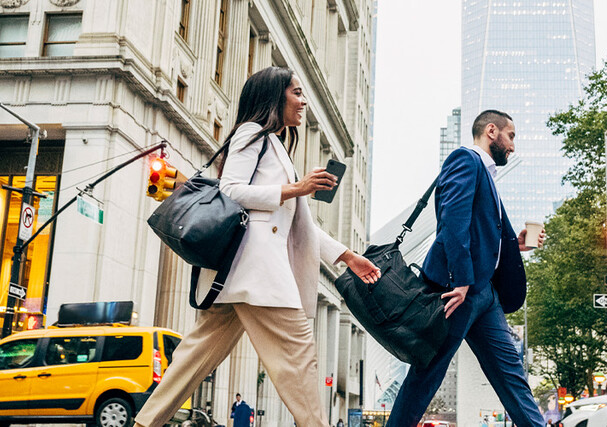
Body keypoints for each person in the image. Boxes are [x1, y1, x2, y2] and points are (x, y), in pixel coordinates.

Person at [134, 66, 381, 427]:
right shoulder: (252, 134)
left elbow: (301, 225)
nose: (303, 101)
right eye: (296, 92)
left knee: (192, 358)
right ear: (273, 96)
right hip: (258, 274)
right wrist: (296, 188)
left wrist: (346, 256)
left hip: (236, 277)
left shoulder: (273, 144)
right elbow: (231, 189)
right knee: (299, 359)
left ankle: (144, 423)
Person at [386, 110, 546, 427]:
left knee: (511, 374)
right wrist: (460, 281)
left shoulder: (485, 173)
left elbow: (480, 233)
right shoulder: (465, 160)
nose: (513, 146)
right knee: (427, 374)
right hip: (458, 291)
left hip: (485, 294)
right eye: (510, 136)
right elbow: (452, 223)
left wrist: (516, 243)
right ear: (491, 131)